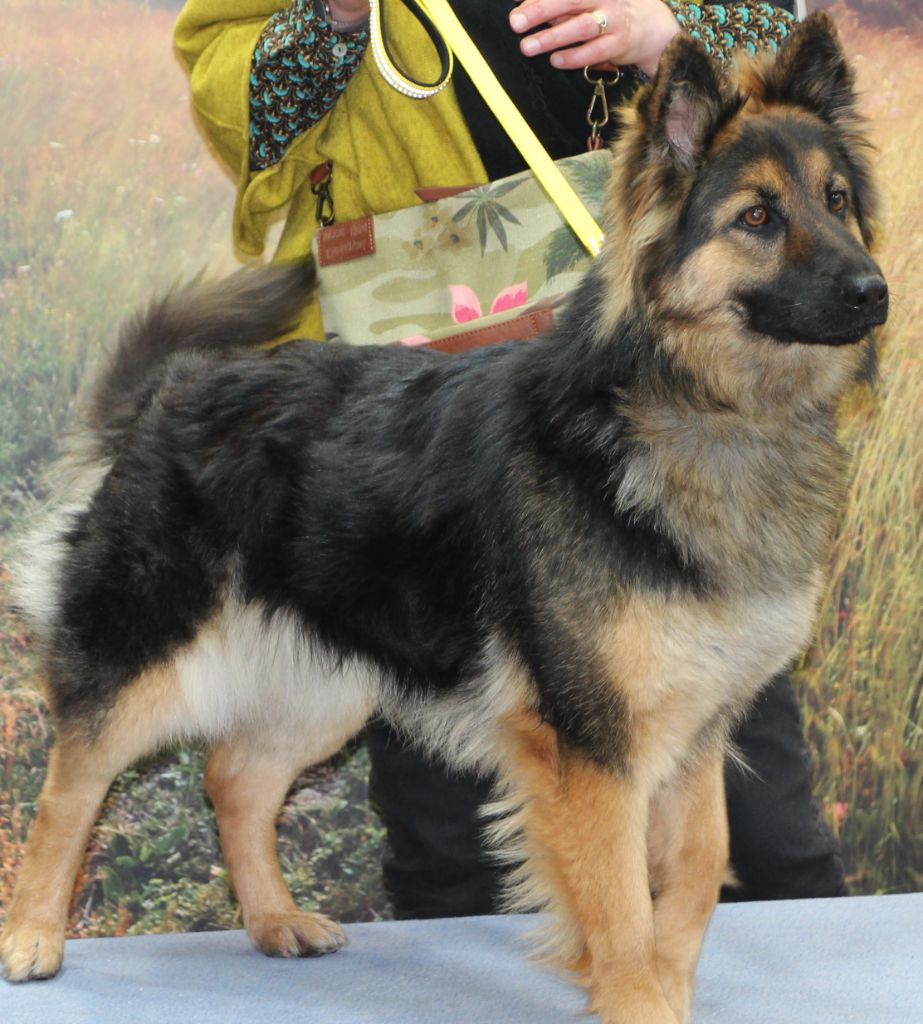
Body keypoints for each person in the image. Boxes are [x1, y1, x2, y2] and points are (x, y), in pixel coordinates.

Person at [173, 0, 848, 918]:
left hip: (681, 371)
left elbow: (781, 35)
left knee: (765, 840)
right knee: (451, 846)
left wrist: (668, 33)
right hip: (432, 410)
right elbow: (235, 96)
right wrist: (331, 19)